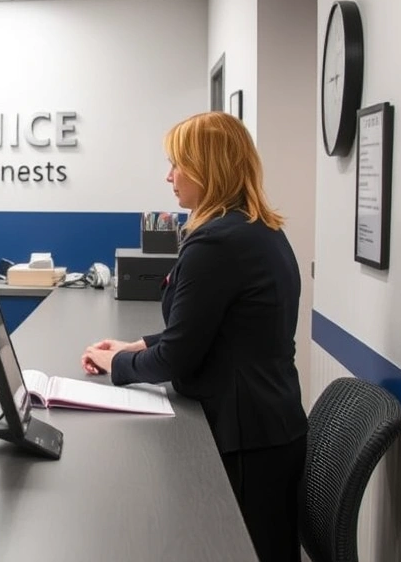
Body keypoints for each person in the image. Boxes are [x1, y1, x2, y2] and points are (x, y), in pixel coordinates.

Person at [81, 111, 308, 562]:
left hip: (246, 439)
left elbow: (179, 356)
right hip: (272, 426)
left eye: (177, 164)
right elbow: (215, 329)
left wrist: (117, 365)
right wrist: (137, 345)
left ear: (208, 169)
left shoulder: (217, 243)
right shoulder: (256, 229)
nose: (169, 177)